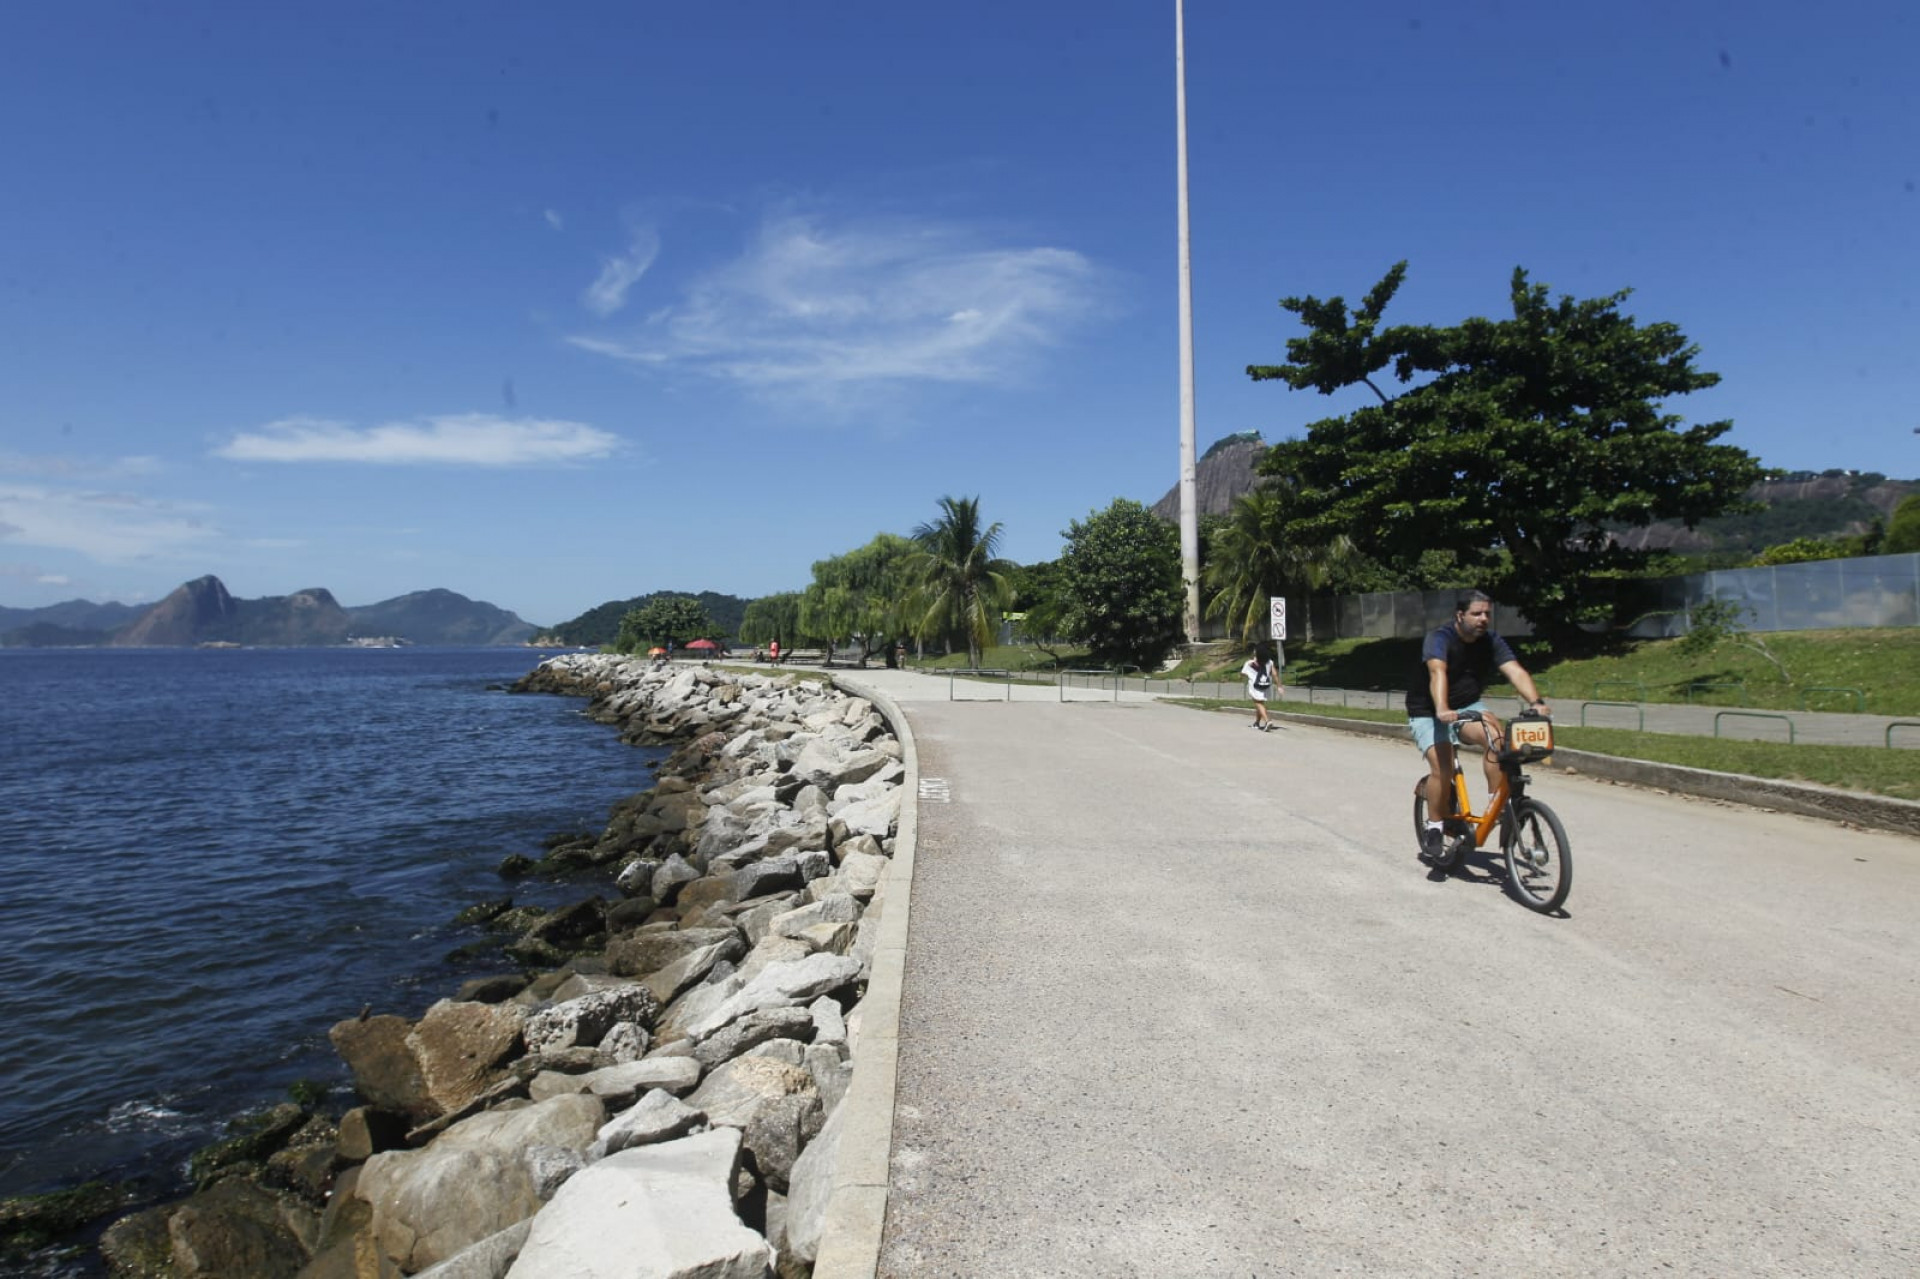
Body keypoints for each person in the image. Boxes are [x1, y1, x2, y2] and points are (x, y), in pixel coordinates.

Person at [1406, 590, 1550, 862]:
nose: (1484, 619)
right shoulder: (1440, 638)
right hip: (1428, 711)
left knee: (1495, 738)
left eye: (1487, 614)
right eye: (1477, 613)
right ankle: (1435, 826)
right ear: (1460, 615)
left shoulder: (1491, 641)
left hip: (1467, 707)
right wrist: (1442, 709)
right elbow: (1437, 672)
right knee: (1443, 767)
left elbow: (1515, 670)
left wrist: (1536, 701)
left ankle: (1501, 806)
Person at [1240, 645, 1282, 731]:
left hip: (1255, 686)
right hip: (1265, 685)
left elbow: (1243, 673)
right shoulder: (1269, 662)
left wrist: (1241, 676)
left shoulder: (1249, 663)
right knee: (1260, 704)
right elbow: (1274, 674)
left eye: (1255, 651)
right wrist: (1279, 686)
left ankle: (1267, 721)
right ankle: (1257, 723)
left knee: (1258, 703)